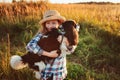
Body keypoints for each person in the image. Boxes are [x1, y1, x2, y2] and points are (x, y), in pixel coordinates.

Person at [26, 10, 68, 80]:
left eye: (53, 23)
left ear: (59, 23)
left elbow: (71, 49)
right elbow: (30, 46)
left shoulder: (63, 35)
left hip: (58, 70)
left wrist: (63, 40)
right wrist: (48, 54)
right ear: (45, 24)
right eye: (48, 23)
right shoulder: (42, 34)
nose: (50, 26)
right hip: (46, 70)